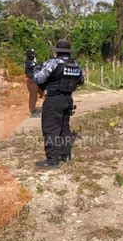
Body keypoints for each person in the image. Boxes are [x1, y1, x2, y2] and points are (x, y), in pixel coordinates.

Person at [32, 39, 84, 169]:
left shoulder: (53, 63)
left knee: (50, 129)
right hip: (68, 100)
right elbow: (81, 80)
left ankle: (52, 160)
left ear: (57, 52)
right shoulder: (76, 65)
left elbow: (38, 78)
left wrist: (36, 69)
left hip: (54, 99)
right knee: (64, 128)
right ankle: (65, 155)